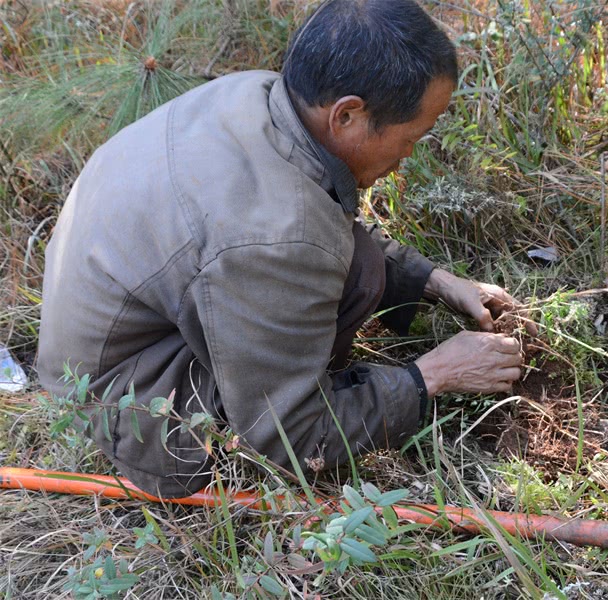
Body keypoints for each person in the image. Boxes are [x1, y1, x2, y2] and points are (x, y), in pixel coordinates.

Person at [36, 0, 528, 498]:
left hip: (119, 330)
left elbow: (320, 214)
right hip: (124, 405)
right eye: (411, 138)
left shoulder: (259, 95)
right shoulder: (275, 240)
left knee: (361, 268)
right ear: (348, 116)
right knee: (291, 404)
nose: (408, 156)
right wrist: (430, 377)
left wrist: (431, 281)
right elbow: (293, 437)